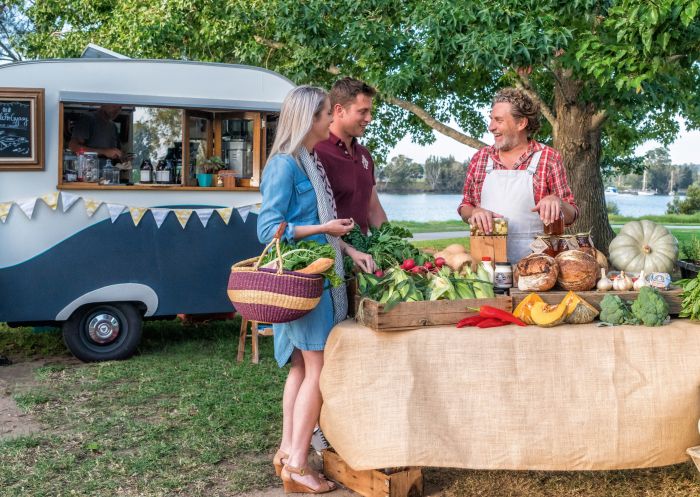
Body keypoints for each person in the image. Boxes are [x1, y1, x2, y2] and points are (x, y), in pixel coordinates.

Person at [257, 86, 355, 494]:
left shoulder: (308, 161)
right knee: (317, 370)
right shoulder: (284, 165)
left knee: (300, 367)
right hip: (305, 282)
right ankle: (299, 463)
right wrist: (325, 230)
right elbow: (268, 230)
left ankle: (286, 450)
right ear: (309, 119)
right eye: (323, 115)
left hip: (318, 276)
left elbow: (319, 225)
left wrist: (347, 248)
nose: (329, 120)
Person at [458, 87, 578, 263]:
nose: (491, 127)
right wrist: (474, 212)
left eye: (498, 120)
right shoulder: (480, 158)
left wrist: (558, 203)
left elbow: (572, 214)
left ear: (521, 123)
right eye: (491, 119)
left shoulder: (548, 158)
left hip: (538, 267)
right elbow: (464, 207)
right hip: (487, 263)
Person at [315, 78, 388, 273]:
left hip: (362, 261)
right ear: (339, 110)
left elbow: (373, 209)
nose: (369, 118)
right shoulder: (316, 151)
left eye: (370, 111)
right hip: (328, 261)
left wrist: (392, 244)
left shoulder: (364, 154)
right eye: (362, 111)